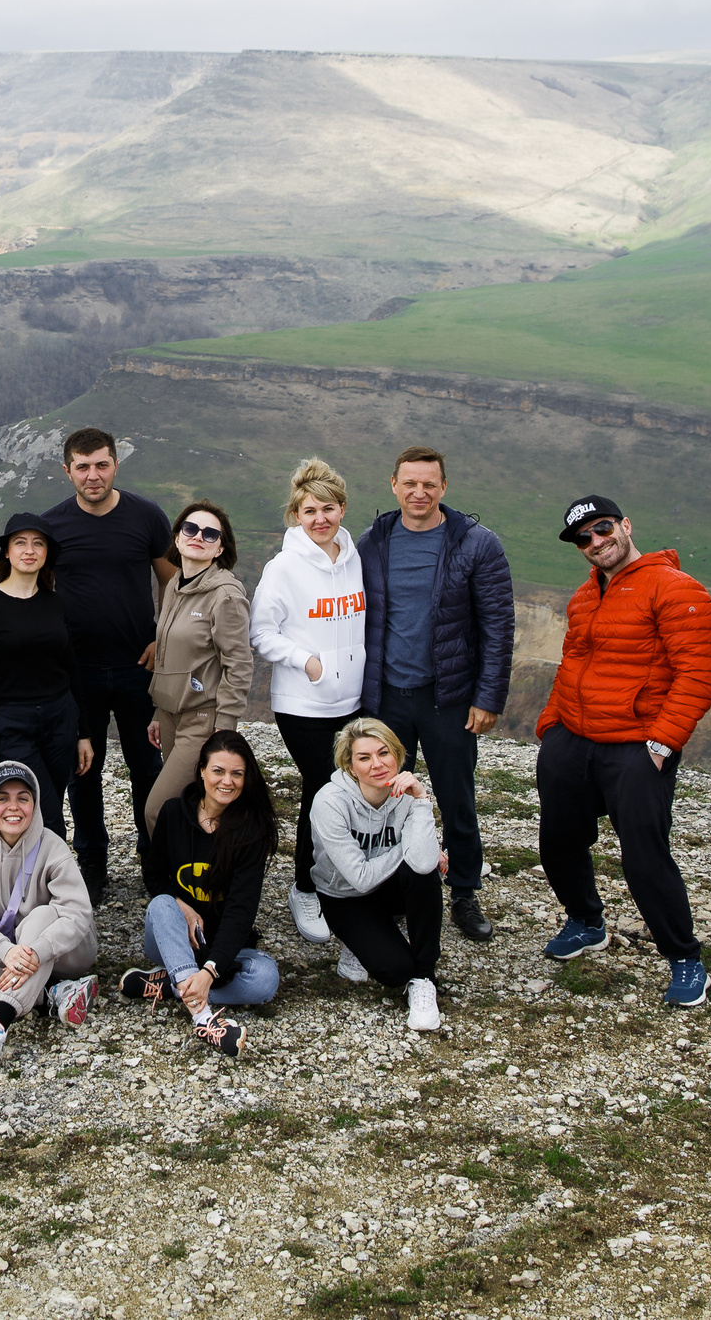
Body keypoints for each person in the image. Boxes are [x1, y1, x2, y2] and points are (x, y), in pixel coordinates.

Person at [536, 494, 711, 1009]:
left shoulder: (676, 589)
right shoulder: (584, 597)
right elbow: (572, 662)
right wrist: (551, 726)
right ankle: (585, 921)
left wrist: (660, 744)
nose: (596, 542)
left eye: (602, 529)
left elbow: (699, 677)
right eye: (583, 538)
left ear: (625, 525)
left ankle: (684, 957)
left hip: (636, 746)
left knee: (644, 857)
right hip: (573, 738)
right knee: (558, 841)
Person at [357, 446, 513, 949]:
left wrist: (488, 696)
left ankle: (464, 890)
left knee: (455, 796)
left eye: (429, 484)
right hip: (387, 697)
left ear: (444, 487)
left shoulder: (476, 543)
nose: (419, 492)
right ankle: (392, 886)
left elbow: (498, 625)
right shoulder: (373, 542)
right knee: (383, 797)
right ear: (394, 485)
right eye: (410, 483)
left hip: (449, 697)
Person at [41, 427, 177, 896]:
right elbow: (34, 589)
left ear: (116, 465)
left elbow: (172, 580)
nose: (93, 475)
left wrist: (162, 637)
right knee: (83, 770)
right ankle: (92, 864)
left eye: (101, 465)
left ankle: (153, 861)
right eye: (83, 467)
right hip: (78, 673)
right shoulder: (52, 526)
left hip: (139, 666)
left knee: (148, 767)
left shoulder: (147, 516)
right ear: (68, 471)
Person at [251, 458, 369, 944]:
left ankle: (342, 879)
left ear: (342, 509)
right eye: (309, 511)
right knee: (323, 790)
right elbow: (262, 632)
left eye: (328, 509)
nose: (320, 519)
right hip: (303, 704)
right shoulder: (284, 567)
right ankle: (305, 888)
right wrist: (307, 661)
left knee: (349, 790)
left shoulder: (354, 558)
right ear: (295, 515)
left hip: (352, 700)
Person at [124, 729, 280, 1055]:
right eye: (218, 771)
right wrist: (181, 904)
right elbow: (154, 875)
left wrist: (210, 971)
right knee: (162, 904)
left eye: (237, 774)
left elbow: (241, 911)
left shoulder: (252, 829)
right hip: (173, 938)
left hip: (221, 945)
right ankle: (203, 1018)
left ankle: (173, 984)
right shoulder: (173, 813)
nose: (227, 781)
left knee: (265, 980)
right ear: (202, 771)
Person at [0, 760, 99, 1076]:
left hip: (67, 950)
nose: (13, 807)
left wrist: (36, 951)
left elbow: (77, 913)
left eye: (23, 798)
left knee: (41, 916)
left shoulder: (51, 845)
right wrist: (6, 951)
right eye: (2, 798)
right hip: (12, 953)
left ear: (34, 804)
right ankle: (55, 993)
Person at [0, 512, 95, 835]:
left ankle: (39, 866)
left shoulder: (56, 604)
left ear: (47, 553)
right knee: (44, 814)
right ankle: (52, 867)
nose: (29, 550)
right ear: (7, 552)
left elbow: (71, 669)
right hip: (10, 724)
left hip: (60, 719)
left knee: (50, 803)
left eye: (38, 543)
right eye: (20, 542)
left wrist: (83, 733)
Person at [308, 718, 447, 1032]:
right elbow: (361, 877)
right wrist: (406, 846)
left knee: (423, 874)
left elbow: (424, 865)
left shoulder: (408, 793)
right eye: (364, 757)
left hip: (388, 887)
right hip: (344, 895)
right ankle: (358, 942)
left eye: (384, 753)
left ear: (397, 754)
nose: (377, 764)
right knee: (396, 971)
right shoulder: (331, 802)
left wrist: (421, 801)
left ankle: (425, 978)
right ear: (351, 767)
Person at [141, 500, 252, 836]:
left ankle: (176, 868)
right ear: (177, 538)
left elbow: (239, 664)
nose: (198, 537)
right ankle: (194, 867)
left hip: (202, 719)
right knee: (189, 806)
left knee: (158, 810)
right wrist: (159, 710)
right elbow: (168, 655)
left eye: (210, 534)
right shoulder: (175, 585)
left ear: (220, 548)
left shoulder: (225, 595)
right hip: (171, 715)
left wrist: (225, 724)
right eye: (190, 529)